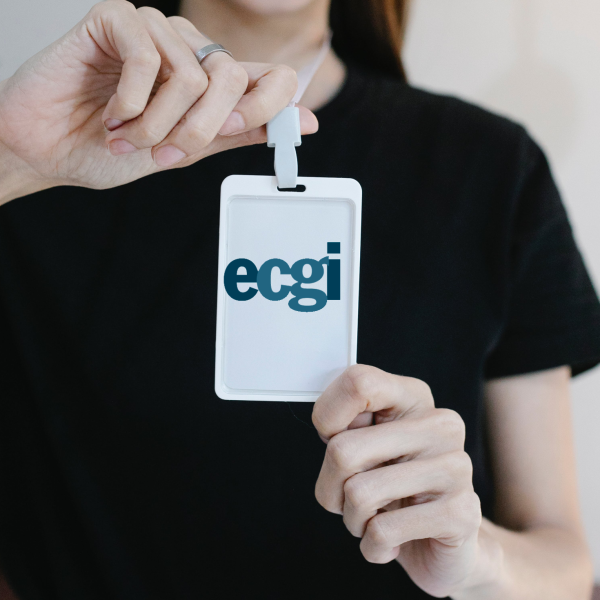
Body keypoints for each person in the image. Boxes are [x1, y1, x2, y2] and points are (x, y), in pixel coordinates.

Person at [0, 0, 599, 598]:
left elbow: (566, 569)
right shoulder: (46, 151)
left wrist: (476, 560)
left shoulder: (492, 169)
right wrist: (12, 156)